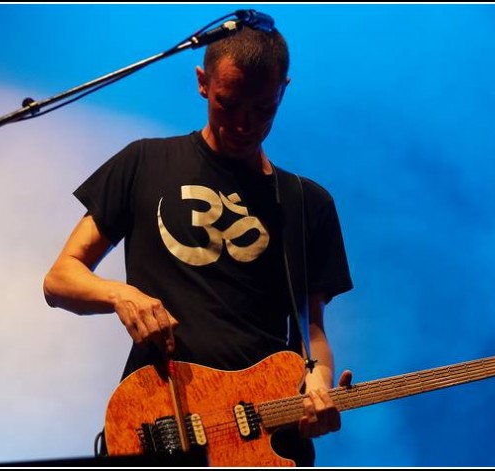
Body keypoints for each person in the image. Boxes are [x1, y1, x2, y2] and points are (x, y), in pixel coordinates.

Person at [43, 24, 353, 467]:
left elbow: (313, 333)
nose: (245, 123)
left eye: (263, 108)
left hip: (267, 441)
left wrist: (319, 384)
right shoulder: (144, 162)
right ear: (202, 83)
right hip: (161, 423)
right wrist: (121, 294)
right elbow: (59, 279)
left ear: (283, 91)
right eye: (228, 103)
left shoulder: (308, 203)